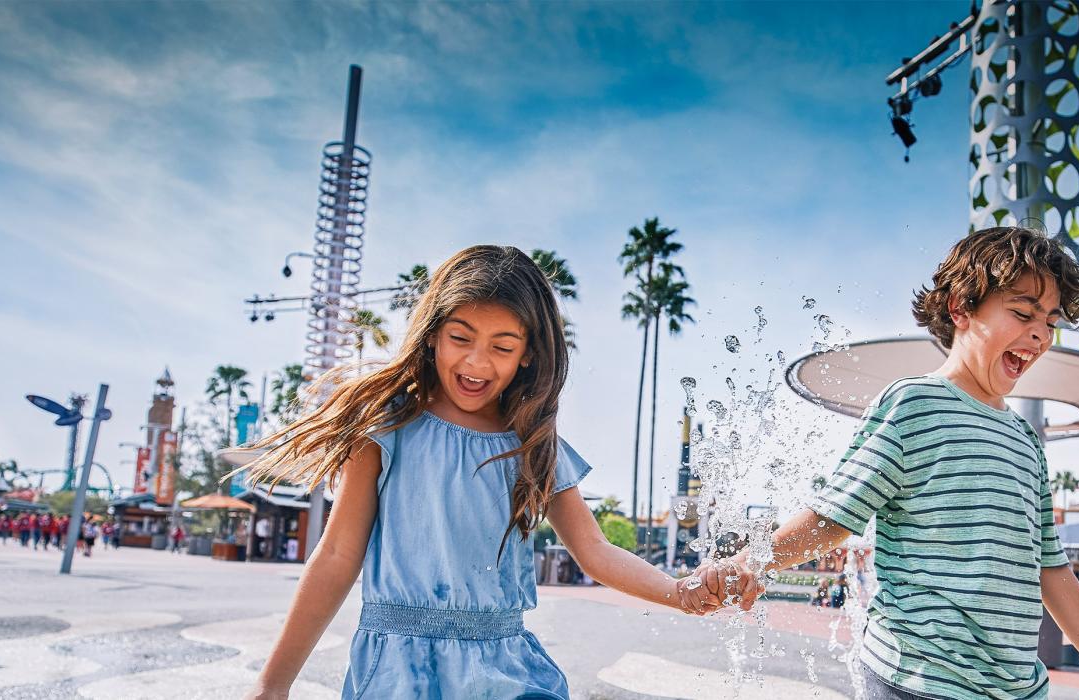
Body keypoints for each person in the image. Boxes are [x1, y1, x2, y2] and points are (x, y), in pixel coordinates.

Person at [237, 246, 756, 700]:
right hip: (398, 670)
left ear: (528, 354)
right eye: (461, 337)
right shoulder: (387, 429)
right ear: (433, 334)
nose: (478, 362)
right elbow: (337, 555)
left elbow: (594, 551)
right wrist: (273, 684)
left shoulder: (533, 444)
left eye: (502, 347)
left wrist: (680, 591)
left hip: (506, 668)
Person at [732, 227, 1079, 698]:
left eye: (1049, 321)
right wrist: (749, 563)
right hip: (921, 678)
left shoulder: (1025, 439)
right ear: (961, 308)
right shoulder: (915, 404)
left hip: (1015, 688)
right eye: (1023, 312)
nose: (1040, 334)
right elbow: (833, 518)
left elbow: (1050, 568)